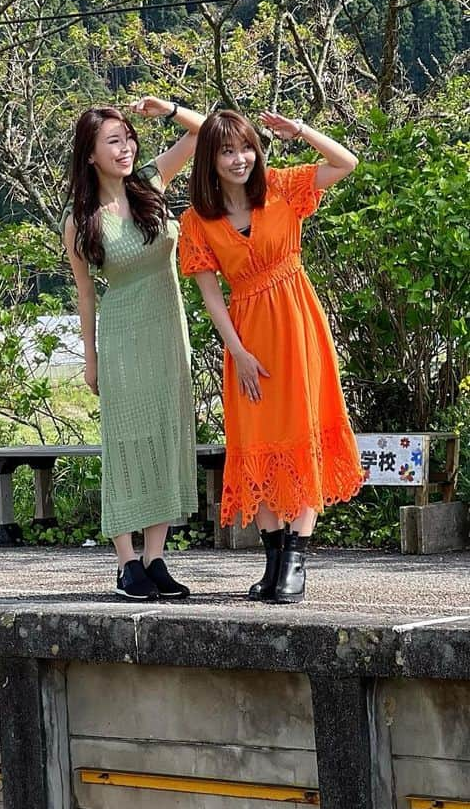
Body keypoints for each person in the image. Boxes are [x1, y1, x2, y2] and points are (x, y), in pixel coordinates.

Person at [178, 109, 363, 604]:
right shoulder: (198, 221)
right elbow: (210, 293)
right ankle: (274, 558)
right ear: (209, 160)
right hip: (247, 337)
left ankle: (295, 560)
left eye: (246, 148)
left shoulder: (282, 186)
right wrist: (235, 350)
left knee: (302, 432)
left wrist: (298, 131)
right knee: (254, 442)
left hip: (298, 324)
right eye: (226, 151)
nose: (240, 159)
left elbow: (347, 162)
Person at [64, 98, 205, 601]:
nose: (126, 149)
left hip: (168, 331)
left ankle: (156, 558)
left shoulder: (149, 183)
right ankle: (126, 562)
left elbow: (205, 132)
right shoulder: (82, 220)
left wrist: (167, 109)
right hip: (122, 336)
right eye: (113, 142)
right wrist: (90, 358)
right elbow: (85, 294)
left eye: (128, 138)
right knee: (126, 443)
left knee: (168, 434)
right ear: (91, 155)